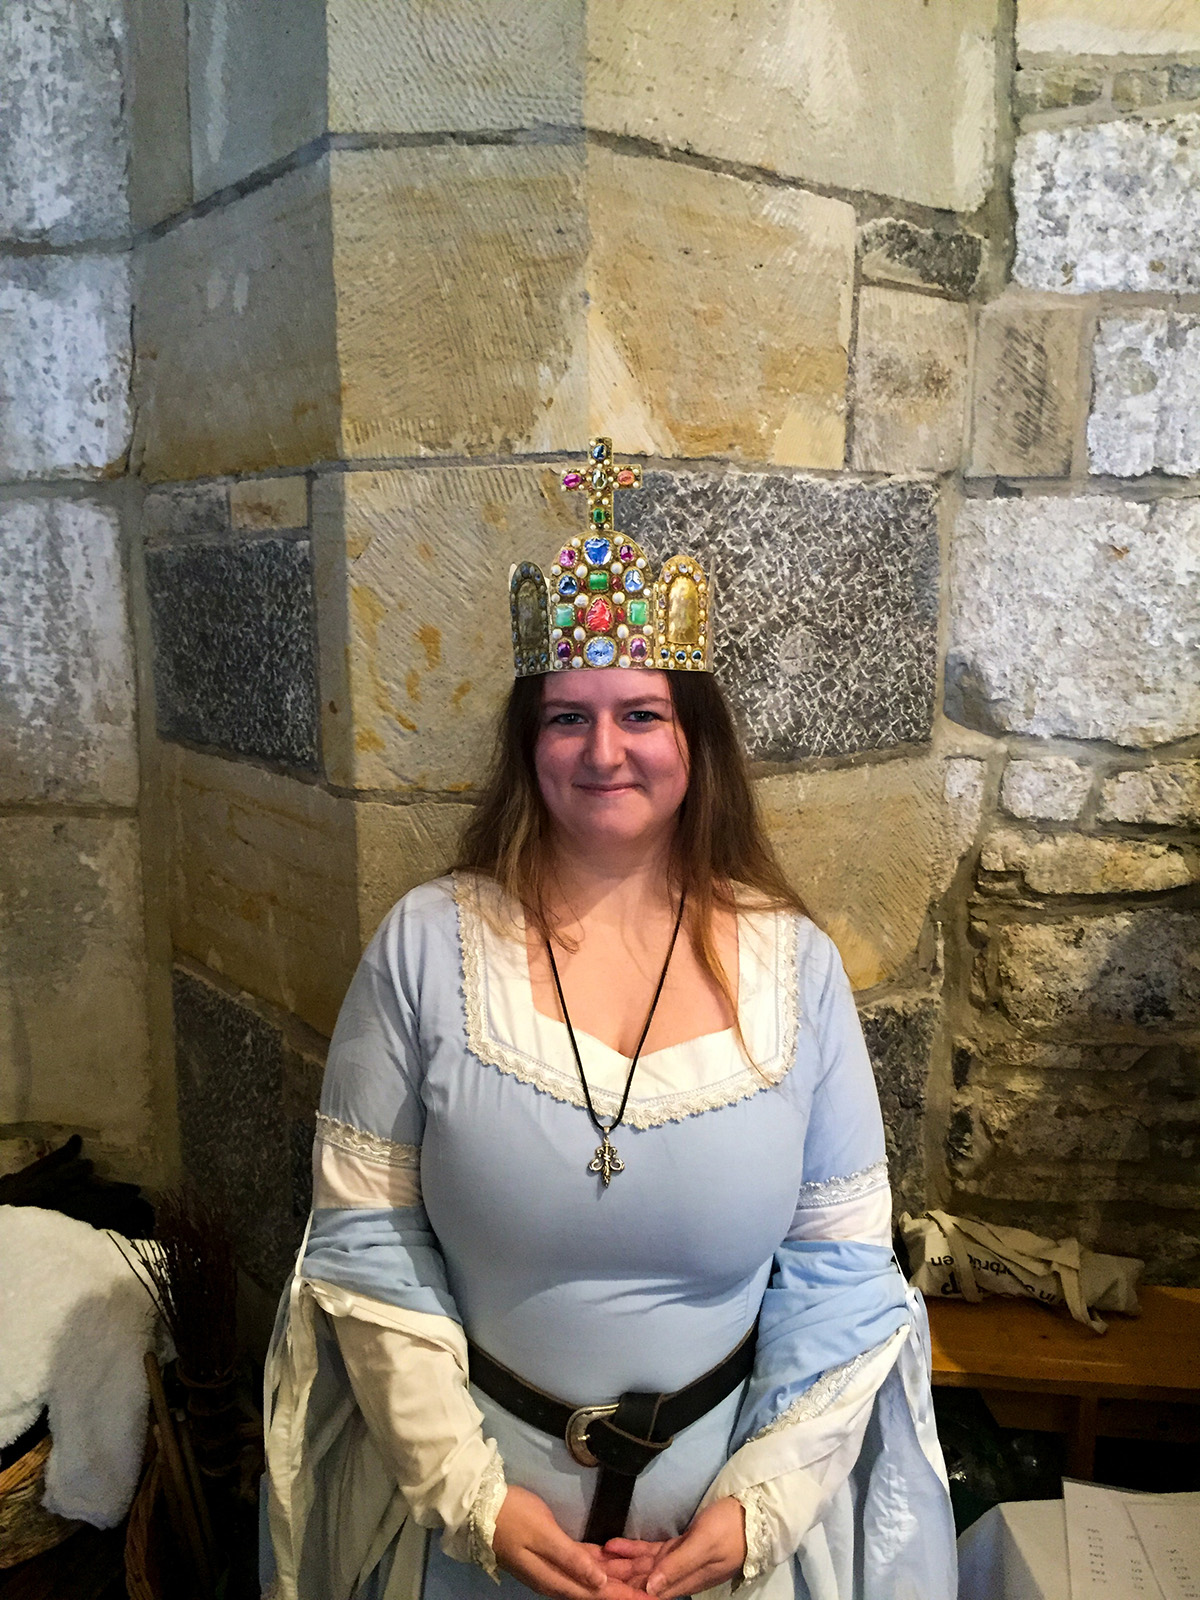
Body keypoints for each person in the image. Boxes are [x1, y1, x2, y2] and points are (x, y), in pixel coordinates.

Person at [263, 443, 957, 1600]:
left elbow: (840, 1269)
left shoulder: (795, 967)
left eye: (640, 713)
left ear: (695, 737)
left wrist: (757, 1509)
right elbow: (367, 1243)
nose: (603, 751)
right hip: (473, 1546)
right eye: (565, 718)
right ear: (526, 742)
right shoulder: (428, 948)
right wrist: (473, 1498)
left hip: (720, 1551)